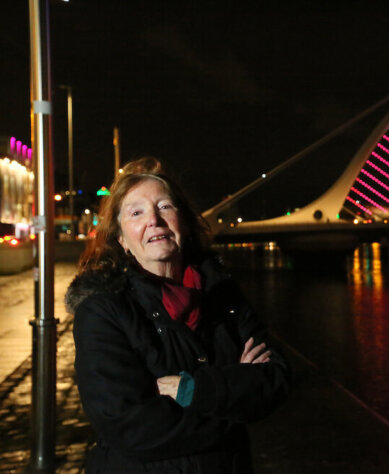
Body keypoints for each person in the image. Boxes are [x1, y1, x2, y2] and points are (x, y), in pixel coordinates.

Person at [66, 157, 290, 473]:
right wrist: (234, 401)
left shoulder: (222, 296)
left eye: (165, 207)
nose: (154, 220)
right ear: (121, 239)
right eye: (136, 213)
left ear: (183, 221)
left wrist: (193, 391)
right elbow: (129, 428)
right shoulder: (104, 312)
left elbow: (276, 379)